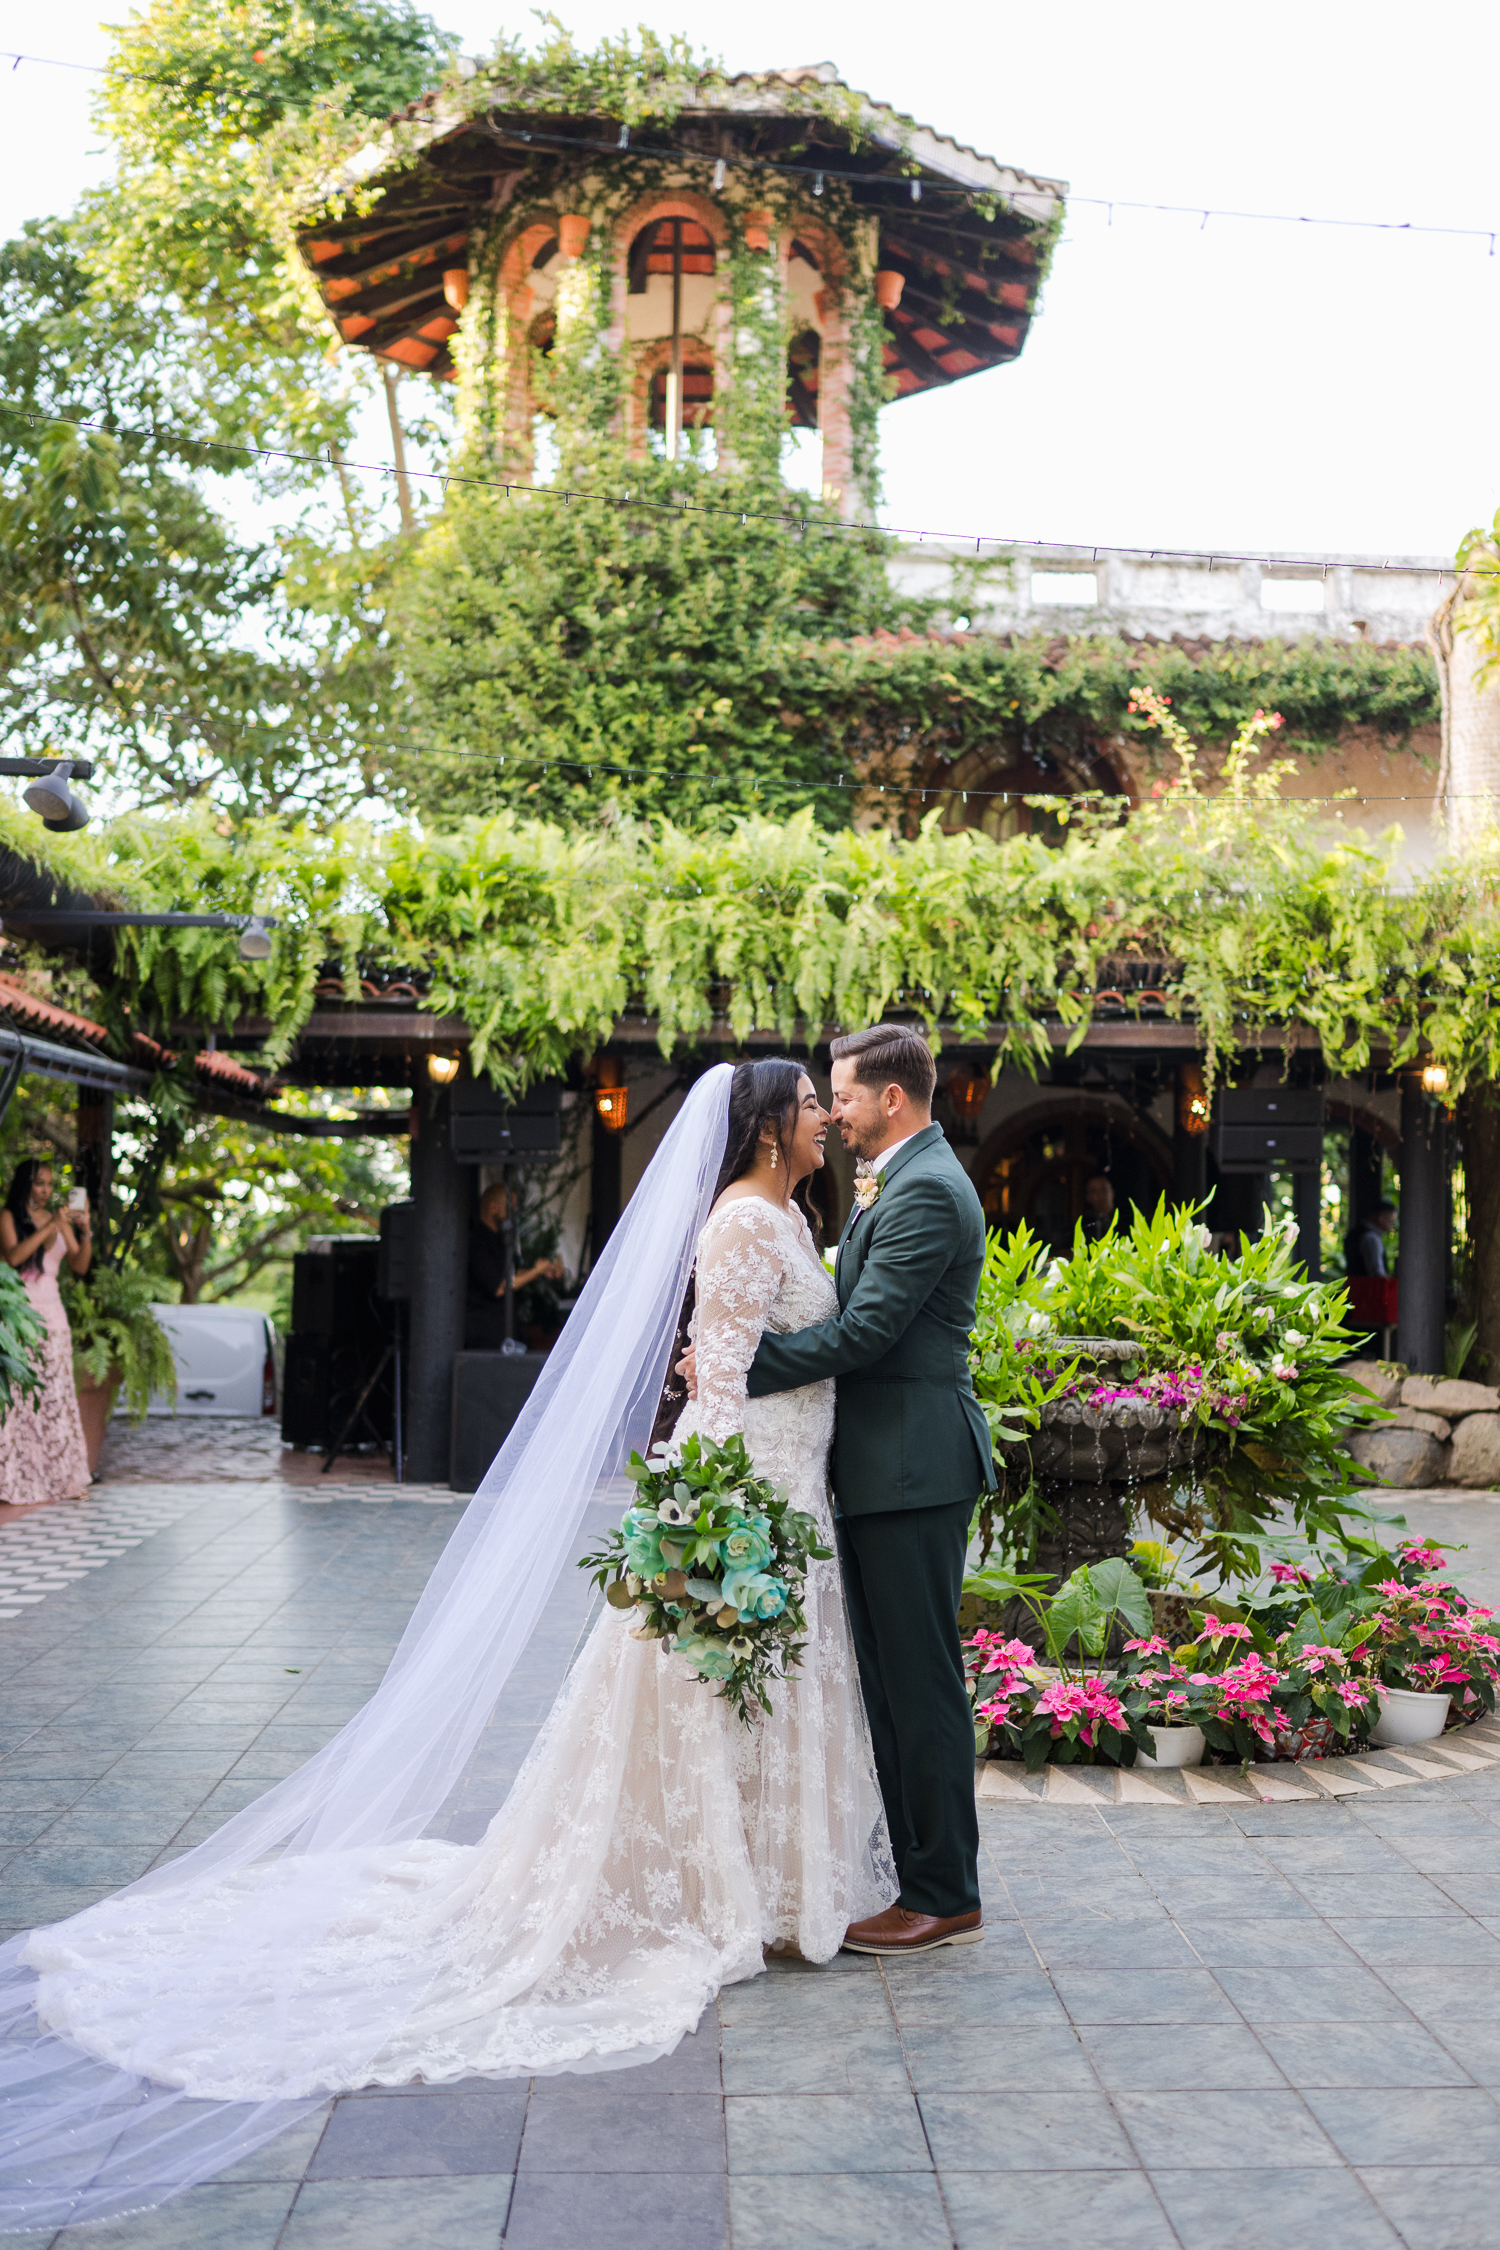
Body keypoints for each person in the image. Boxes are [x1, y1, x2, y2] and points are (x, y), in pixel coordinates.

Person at [0, 1061, 894, 2231]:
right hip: (749, 1489)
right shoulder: (740, 1221)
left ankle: (766, 1880)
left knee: (749, 1698)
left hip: (791, 1484)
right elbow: (717, 1376)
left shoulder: (787, 1213)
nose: (830, 1117)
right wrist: (714, 1514)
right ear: (774, 1127)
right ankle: (706, 1887)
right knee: (704, 1693)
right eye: (813, 1106)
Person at [733, 1025, 997, 1957]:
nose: (831, 1111)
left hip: (913, 1465)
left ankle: (943, 1892)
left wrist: (741, 1366)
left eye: (841, 1095)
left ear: (891, 1098)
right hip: (885, 1465)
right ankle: (915, 1874)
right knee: (890, 1679)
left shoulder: (926, 1187)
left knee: (920, 1682)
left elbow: (868, 1333)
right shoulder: (906, 1174)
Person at [0, 1158, 92, 1508]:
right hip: (18, 1318)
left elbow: (80, 1265)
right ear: (25, 1183)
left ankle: (62, 1478)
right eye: (40, 1183)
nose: (47, 1191)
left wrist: (85, 1231)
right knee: (20, 1402)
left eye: (51, 1185)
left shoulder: (58, 1219)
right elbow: (13, 1257)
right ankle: (16, 1480)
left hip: (54, 1320)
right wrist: (49, 1226)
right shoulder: (8, 1217)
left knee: (55, 1398)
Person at [465, 1181, 565, 1349]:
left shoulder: (500, 1239)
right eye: (509, 1208)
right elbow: (500, 1286)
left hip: (507, 1328)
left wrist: (542, 1271)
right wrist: (535, 1270)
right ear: (493, 1207)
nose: (513, 1214)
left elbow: (513, 1274)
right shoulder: (478, 1241)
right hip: (486, 1334)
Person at [1348, 1200, 1397, 1278]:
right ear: (1382, 1217)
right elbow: (1377, 1271)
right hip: (1368, 1287)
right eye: (1391, 1221)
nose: (1392, 1225)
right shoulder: (1371, 1237)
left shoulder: (1356, 1233)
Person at [1081, 1171, 1115, 1240]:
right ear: (1088, 1197)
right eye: (1094, 1191)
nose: (1100, 1195)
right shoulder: (1084, 1225)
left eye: (1104, 1189)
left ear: (1112, 1192)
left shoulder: (1127, 1220)